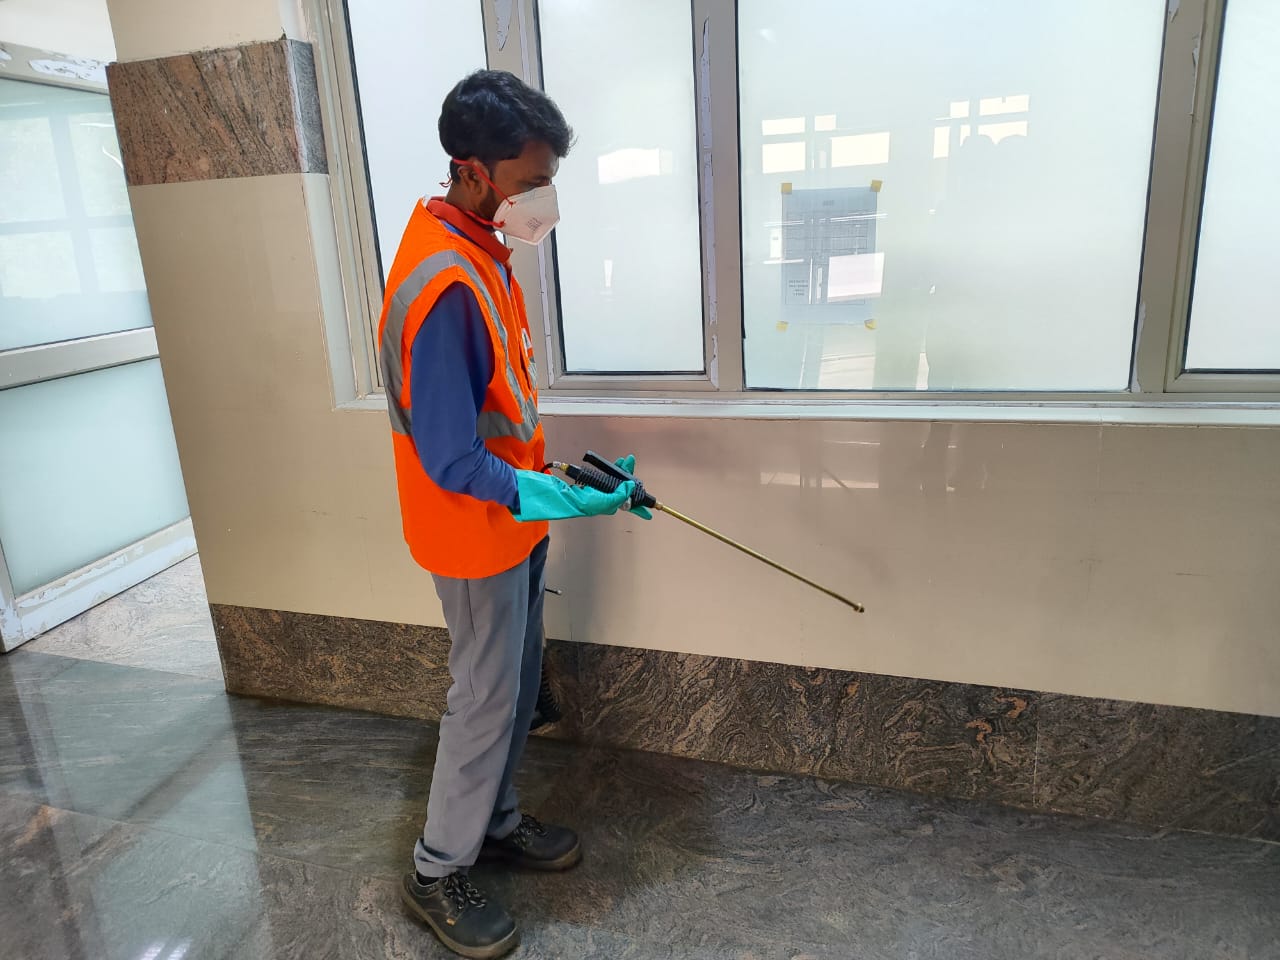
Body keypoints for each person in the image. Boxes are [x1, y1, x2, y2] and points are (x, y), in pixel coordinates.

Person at [377, 70, 647, 959]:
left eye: (547, 180)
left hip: (511, 522)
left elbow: (501, 412)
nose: (543, 199)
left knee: (519, 691)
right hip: (472, 532)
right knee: (484, 702)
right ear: (473, 170)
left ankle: (492, 823)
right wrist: (563, 496)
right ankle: (436, 870)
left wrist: (559, 482)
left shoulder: (479, 247)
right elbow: (452, 456)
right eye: (531, 182)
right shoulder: (444, 281)